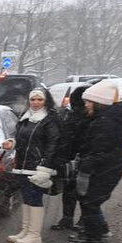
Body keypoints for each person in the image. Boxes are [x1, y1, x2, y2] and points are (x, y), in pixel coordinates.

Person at [70, 78, 122, 243]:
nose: (85, 105)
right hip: (107, 168)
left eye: (88, 102)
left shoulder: (105, 123)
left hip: (104, 171)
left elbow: (99, 152)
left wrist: (84, 170)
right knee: (90, 204)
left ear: (99, 103)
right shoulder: (104, 119)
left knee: (90, 205)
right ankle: (92, 239)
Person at [3, 88, 61, 243]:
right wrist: (12, 143)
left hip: (38, 167)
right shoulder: (26, 116)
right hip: (23, 165)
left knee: (35, 199)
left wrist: (45, 167)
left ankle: (34, 235)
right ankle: (25, 230)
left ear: (46, 101)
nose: (35, 103)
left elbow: (52, 145)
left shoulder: (50, 119)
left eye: (39, 100)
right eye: (33, 99)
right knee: (26, 198)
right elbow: (20, 138)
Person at [50, 85, 90, 231]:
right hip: (69, 159)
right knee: (70, 190)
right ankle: (68, 218)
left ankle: (82, 220)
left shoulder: (91, 118)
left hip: (83, 159)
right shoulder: (68, 116)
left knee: (83, 192)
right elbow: (62, 138)